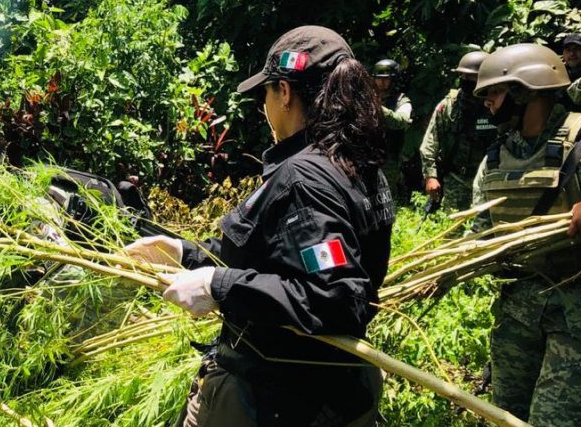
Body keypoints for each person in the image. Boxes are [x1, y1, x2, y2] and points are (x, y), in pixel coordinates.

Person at [125, 26, 394, 426]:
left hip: (277, 399)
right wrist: (185, 252)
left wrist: (218, 287)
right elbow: (277, 256)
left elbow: (335, 297)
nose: (264, 105)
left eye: (266, 93)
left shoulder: (306, 177)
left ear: (284, 92)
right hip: (334, 388)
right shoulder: (360, 167)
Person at [470, 43, 581, 427]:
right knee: (505, 419)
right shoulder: (494, 159)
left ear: (524, 91)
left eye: (493, 92)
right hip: (519, 315)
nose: (487, 103)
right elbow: (482, 232)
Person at [418, 51, 498, 210]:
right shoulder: (449, 106)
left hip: (491, 180)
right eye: (464, 76)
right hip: (457, 180)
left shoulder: (496, 103)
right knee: (454, 231)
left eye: (472, 77)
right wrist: (431, 176)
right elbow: (430, 143)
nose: (467, 81)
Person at [372, 59, 413, 201]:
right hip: (367, 155)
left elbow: (400, 121)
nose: (382, 83)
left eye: (387, 79)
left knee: (388, 198)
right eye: (379, 78)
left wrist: (377, 108)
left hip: (389, 158)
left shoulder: (402, 101)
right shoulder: (367, 98)